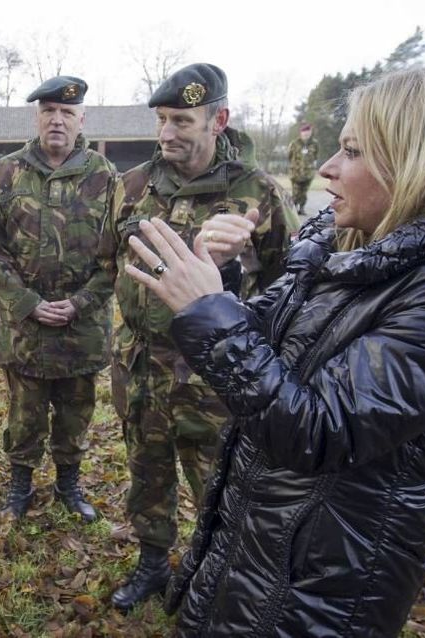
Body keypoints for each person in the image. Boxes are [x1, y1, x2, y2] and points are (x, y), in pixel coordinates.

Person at [123, 63, 425, 636]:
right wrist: (218, 289)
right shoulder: (352, 249)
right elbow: (274, 343)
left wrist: (209, 315)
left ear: (424, 161)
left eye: (352, 150)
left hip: (318, 595)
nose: (327, 168)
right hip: (257, 548)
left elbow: (318, 431)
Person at [99, 63, 295, 611]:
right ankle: (152, 564)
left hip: (215, 377)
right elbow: (109, 261)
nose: (167, 133)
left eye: (182, 120)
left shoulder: (259, 195)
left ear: (219, 120)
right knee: (147, 472)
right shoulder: (132, 186)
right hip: (140, 371)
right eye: (162, 119)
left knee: (220, 486)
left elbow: (291, 290)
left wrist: (237, 275)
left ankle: (222, 579)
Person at [0, 76, 116, 524]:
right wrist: (25, 301)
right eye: (49, 110)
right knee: (25, 413)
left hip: (82, 329)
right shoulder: (8, 172)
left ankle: (68, 483)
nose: (58, 119)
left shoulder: (105, 177)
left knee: (76, 412)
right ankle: (19, 483)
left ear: (81, 120)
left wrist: (81, 303)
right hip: (25, 329)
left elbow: (117, 254)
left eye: (67, 112)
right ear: (37, 117)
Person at [288, 123, 320, 215]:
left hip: (308, 173)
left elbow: (315, 156)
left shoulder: (315, 144)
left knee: (304, 193)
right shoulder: (294, 143)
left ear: (310, 132)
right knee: (296, 192)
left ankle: (301, 208)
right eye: (304, 132)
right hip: (296, 173)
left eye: (308, 132)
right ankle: (293, 210)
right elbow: (289, 156)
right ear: (301, 133)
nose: (306, 134)